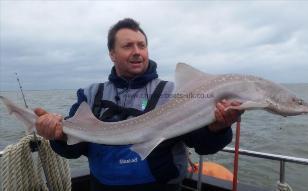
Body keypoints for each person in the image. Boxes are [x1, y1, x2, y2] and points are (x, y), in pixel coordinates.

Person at [34, 18, 243, 191]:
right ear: (112, 54)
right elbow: (73, 150)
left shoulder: (174, 93)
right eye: (127, 46)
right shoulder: (91, 95)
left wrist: (218, 127)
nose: (137, 51)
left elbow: (202, 145)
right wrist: (58, 136)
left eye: (141, 45)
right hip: (102, 186)